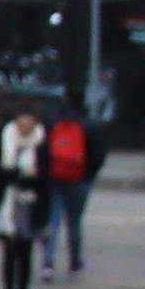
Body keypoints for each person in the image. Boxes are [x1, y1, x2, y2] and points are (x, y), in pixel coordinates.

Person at [0, 108, 47, 289]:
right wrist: (22, 175)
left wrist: (20, 176)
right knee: (9, 254)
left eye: (29, 125)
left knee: (25, 255)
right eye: (21, 124)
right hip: (7, 205)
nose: (25, 129)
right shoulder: (6, 139)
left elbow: (44, 178)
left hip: (30, 206)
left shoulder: (42, 143)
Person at [38, 104, 100, 275]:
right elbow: (98, 155)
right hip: (79, 179)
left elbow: (42, 151)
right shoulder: (89, 126)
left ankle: (48, 262)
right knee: (74, 221)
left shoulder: (52, 124)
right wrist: (89, 174)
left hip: (55, 177)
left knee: (53, 219)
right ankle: (74, 261)